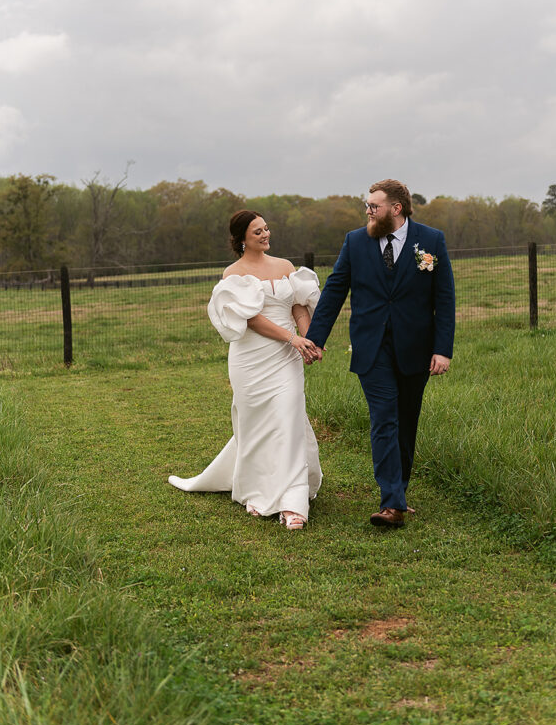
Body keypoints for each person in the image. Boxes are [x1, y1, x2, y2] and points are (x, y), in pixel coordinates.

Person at [307, 179, 455, 528]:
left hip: (416, 349)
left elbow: (444, 300)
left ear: (396, 209)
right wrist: (316, 338)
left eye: (374, 206)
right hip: (371, 348)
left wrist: (442, 350)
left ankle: (398, 491)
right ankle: (392, 503)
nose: (368, 211)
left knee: (406, 421)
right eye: (367, 206)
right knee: (384, 418)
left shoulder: (432, 241)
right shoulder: (355, 241)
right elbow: (334, 292)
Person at [168, 210, 322, 530]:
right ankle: (257, 488)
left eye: (266, 228)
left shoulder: (285, 267)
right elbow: (251, 319)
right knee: (257, 425)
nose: (266, 235)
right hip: (252, 358)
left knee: (289, 417)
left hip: (287, 357)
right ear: (241, 239)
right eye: (257, 232)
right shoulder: (233, 274)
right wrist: (292, 338)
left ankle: (293, 501)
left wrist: (309, 339)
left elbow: (297, 306)